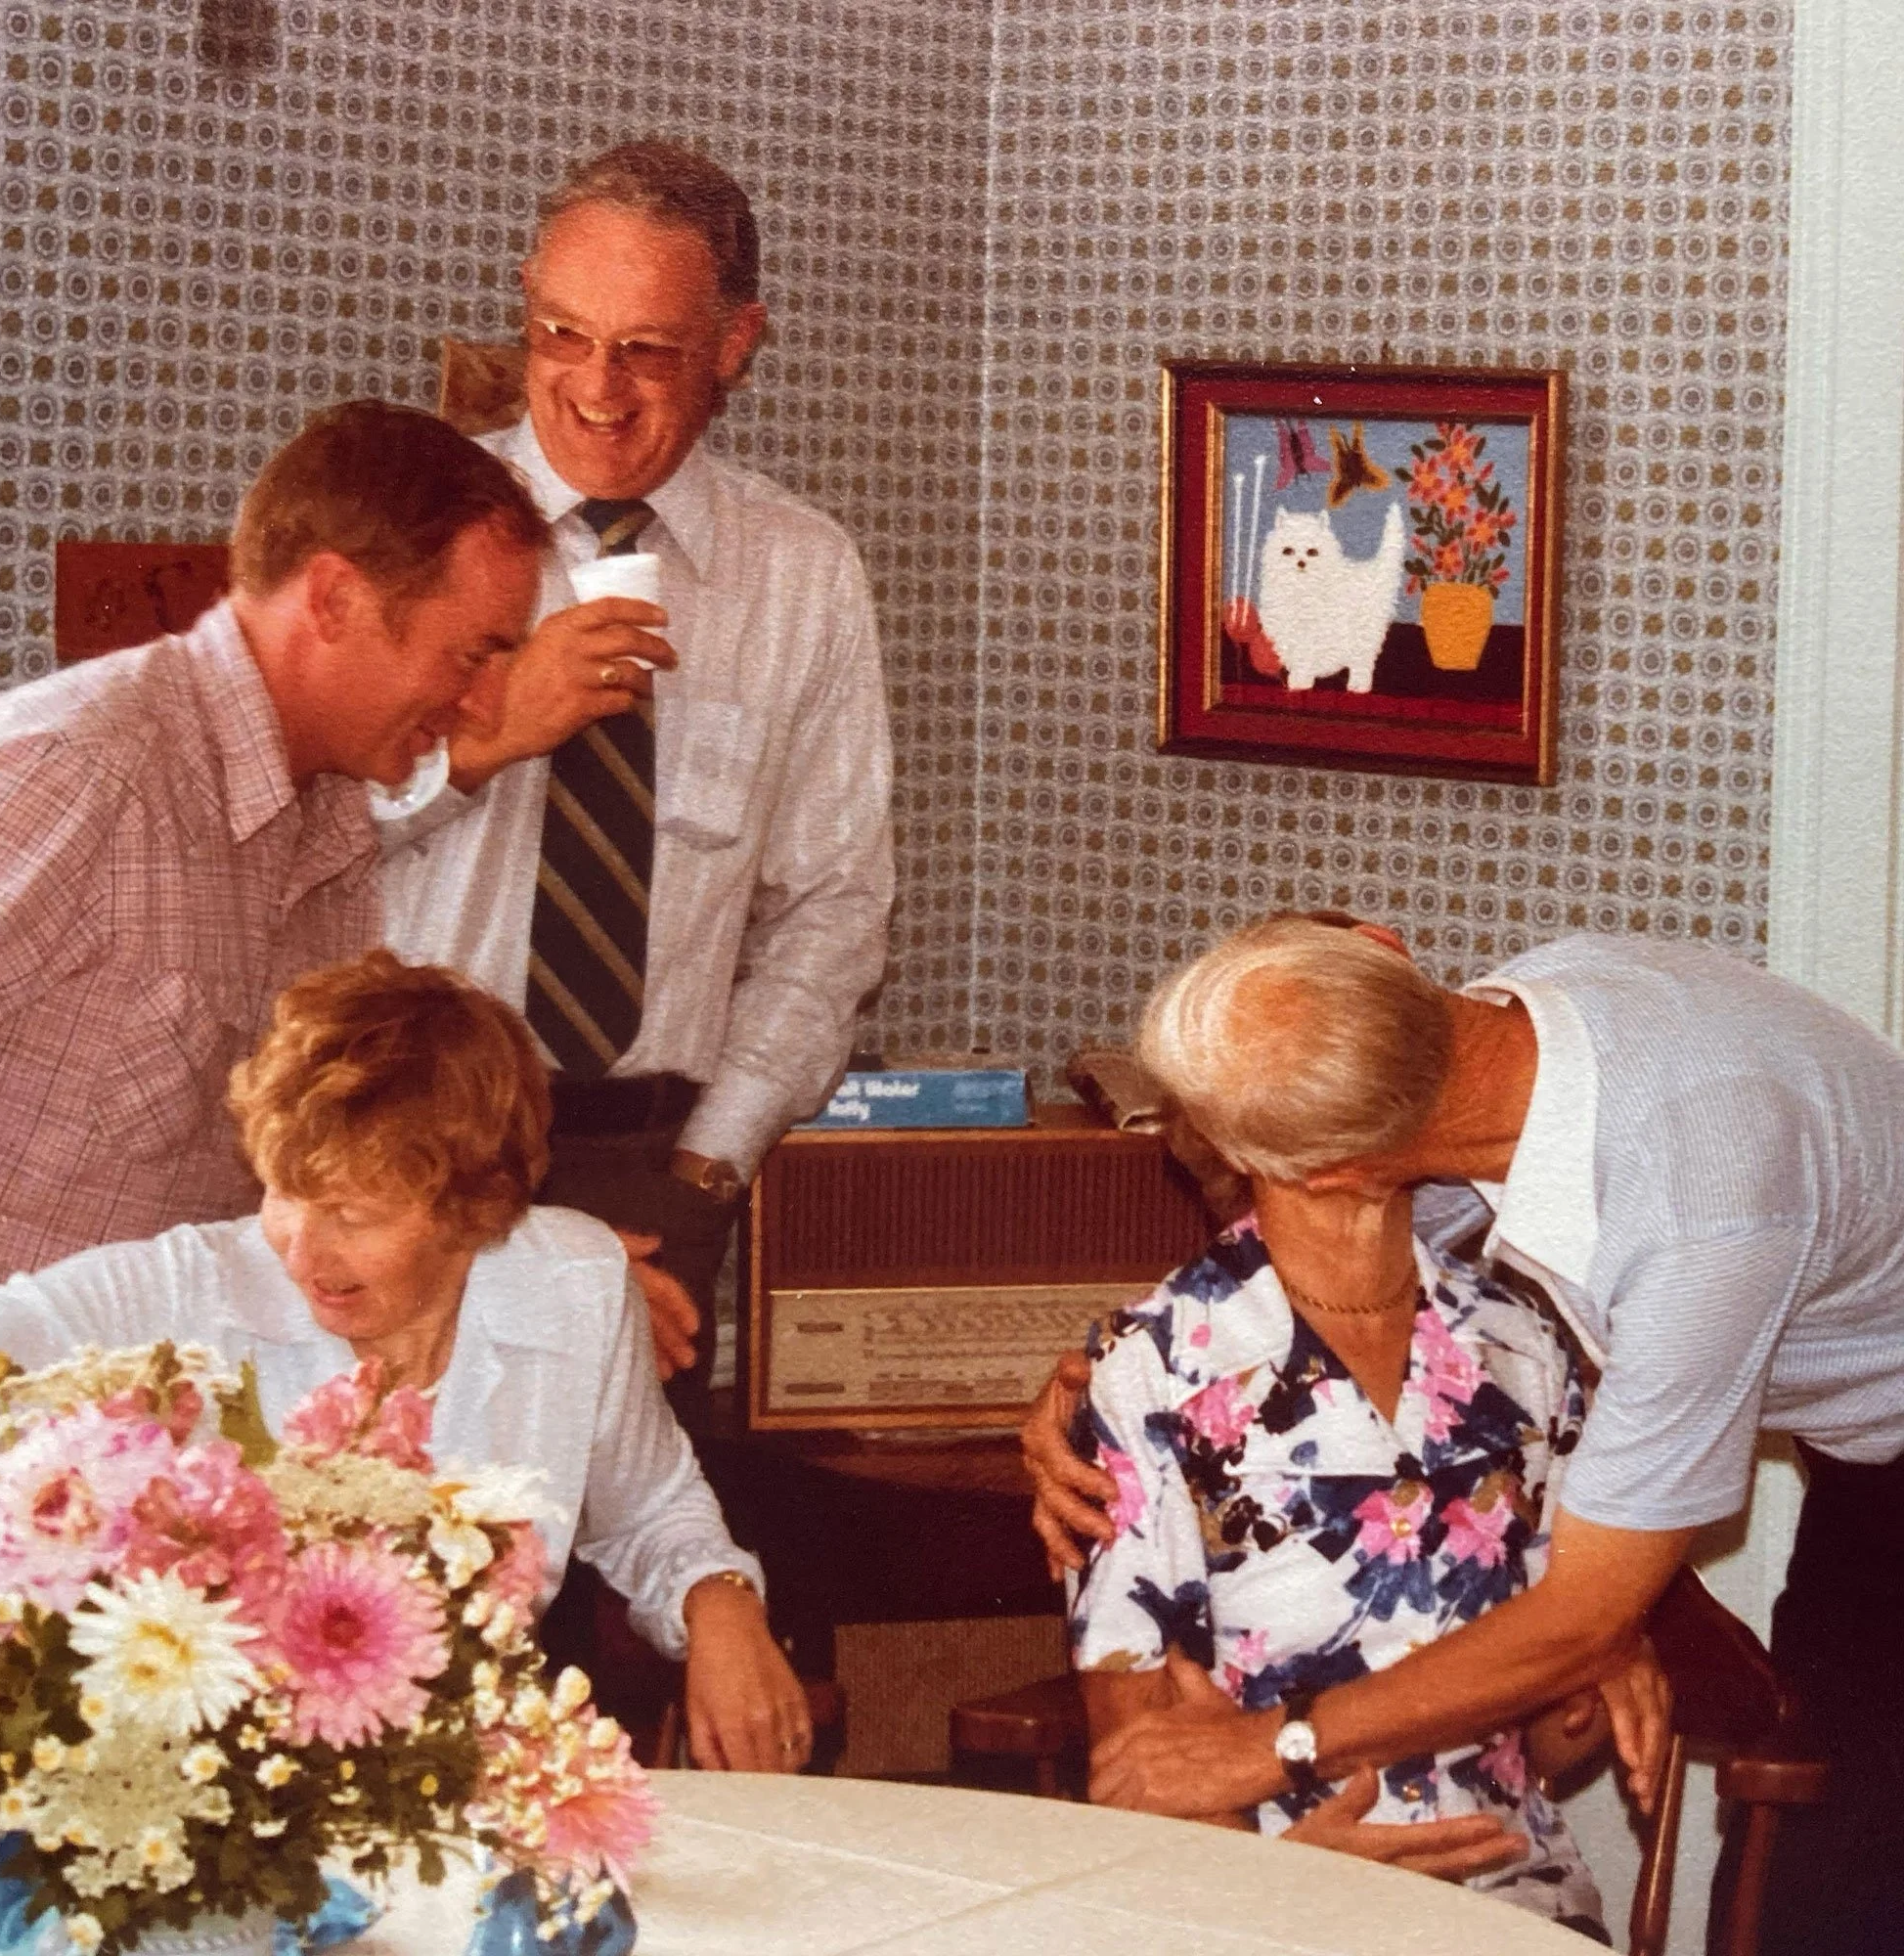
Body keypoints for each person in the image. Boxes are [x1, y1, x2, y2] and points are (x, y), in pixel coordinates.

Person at [1024, 915, 1904, 1953]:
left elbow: (1579, 1612)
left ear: (1333, 1171)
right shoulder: (1478, 1042)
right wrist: (1107, 1377)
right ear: (1387, 950)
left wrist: (1274, 1748)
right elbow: (1275, 1299)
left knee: (1838, 1900)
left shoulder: (1700, 1206)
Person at [0, 951, 812, 1773]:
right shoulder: (183, 1293)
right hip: (206, 1793)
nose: (299, 1251)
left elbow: (649, 1510)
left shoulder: (576, 1284)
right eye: (284, 1193)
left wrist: (719, 1598)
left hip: (462, 1783)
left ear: (472, 1210)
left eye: (352, 1216)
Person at [378, 141, 895, 1402]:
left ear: (735, 343)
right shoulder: (407, 524)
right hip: (398, 1150)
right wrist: (486, 735)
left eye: (648, 349)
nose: (595, 388)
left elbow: (833, 905)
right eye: (562, 334)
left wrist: (713, 1160)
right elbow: (282, 832)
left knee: (636, 1557)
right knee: (403, 1567)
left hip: (650, 1163)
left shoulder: (801, 573)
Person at [0, 400, 547, 1297]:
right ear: (337, 598)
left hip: (147, 1411)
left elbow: (321, 1184)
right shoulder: (83, 770)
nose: (490, 709)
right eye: (472, 657)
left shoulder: (332, 824)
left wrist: (549, 1275)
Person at [1071, 1153, 1617, 1939]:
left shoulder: (1520, 1342)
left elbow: (1547, 1751)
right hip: (1256, 1907)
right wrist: (1284, 1883)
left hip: (1513, 1902)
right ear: (1229, 1120)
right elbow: (1137, 1764)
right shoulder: (1154, 1361)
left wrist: (1594, 1672)